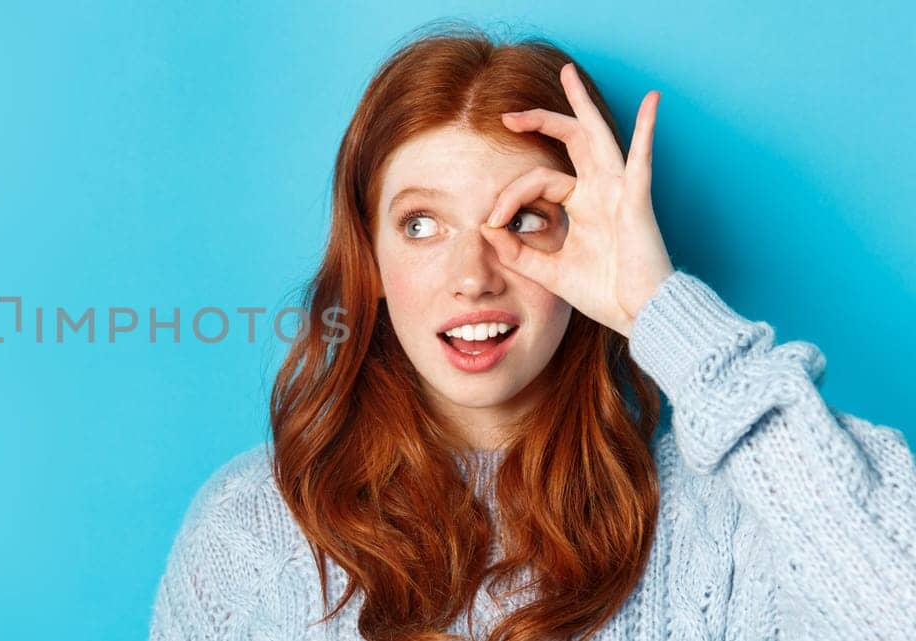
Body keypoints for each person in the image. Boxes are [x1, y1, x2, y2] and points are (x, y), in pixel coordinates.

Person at [146, 23, 916, 641]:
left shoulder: (729, 512)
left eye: (524, 220)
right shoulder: (250, 527)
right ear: (370, 259)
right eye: (421, 224)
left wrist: (658, 304)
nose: (473, 274)